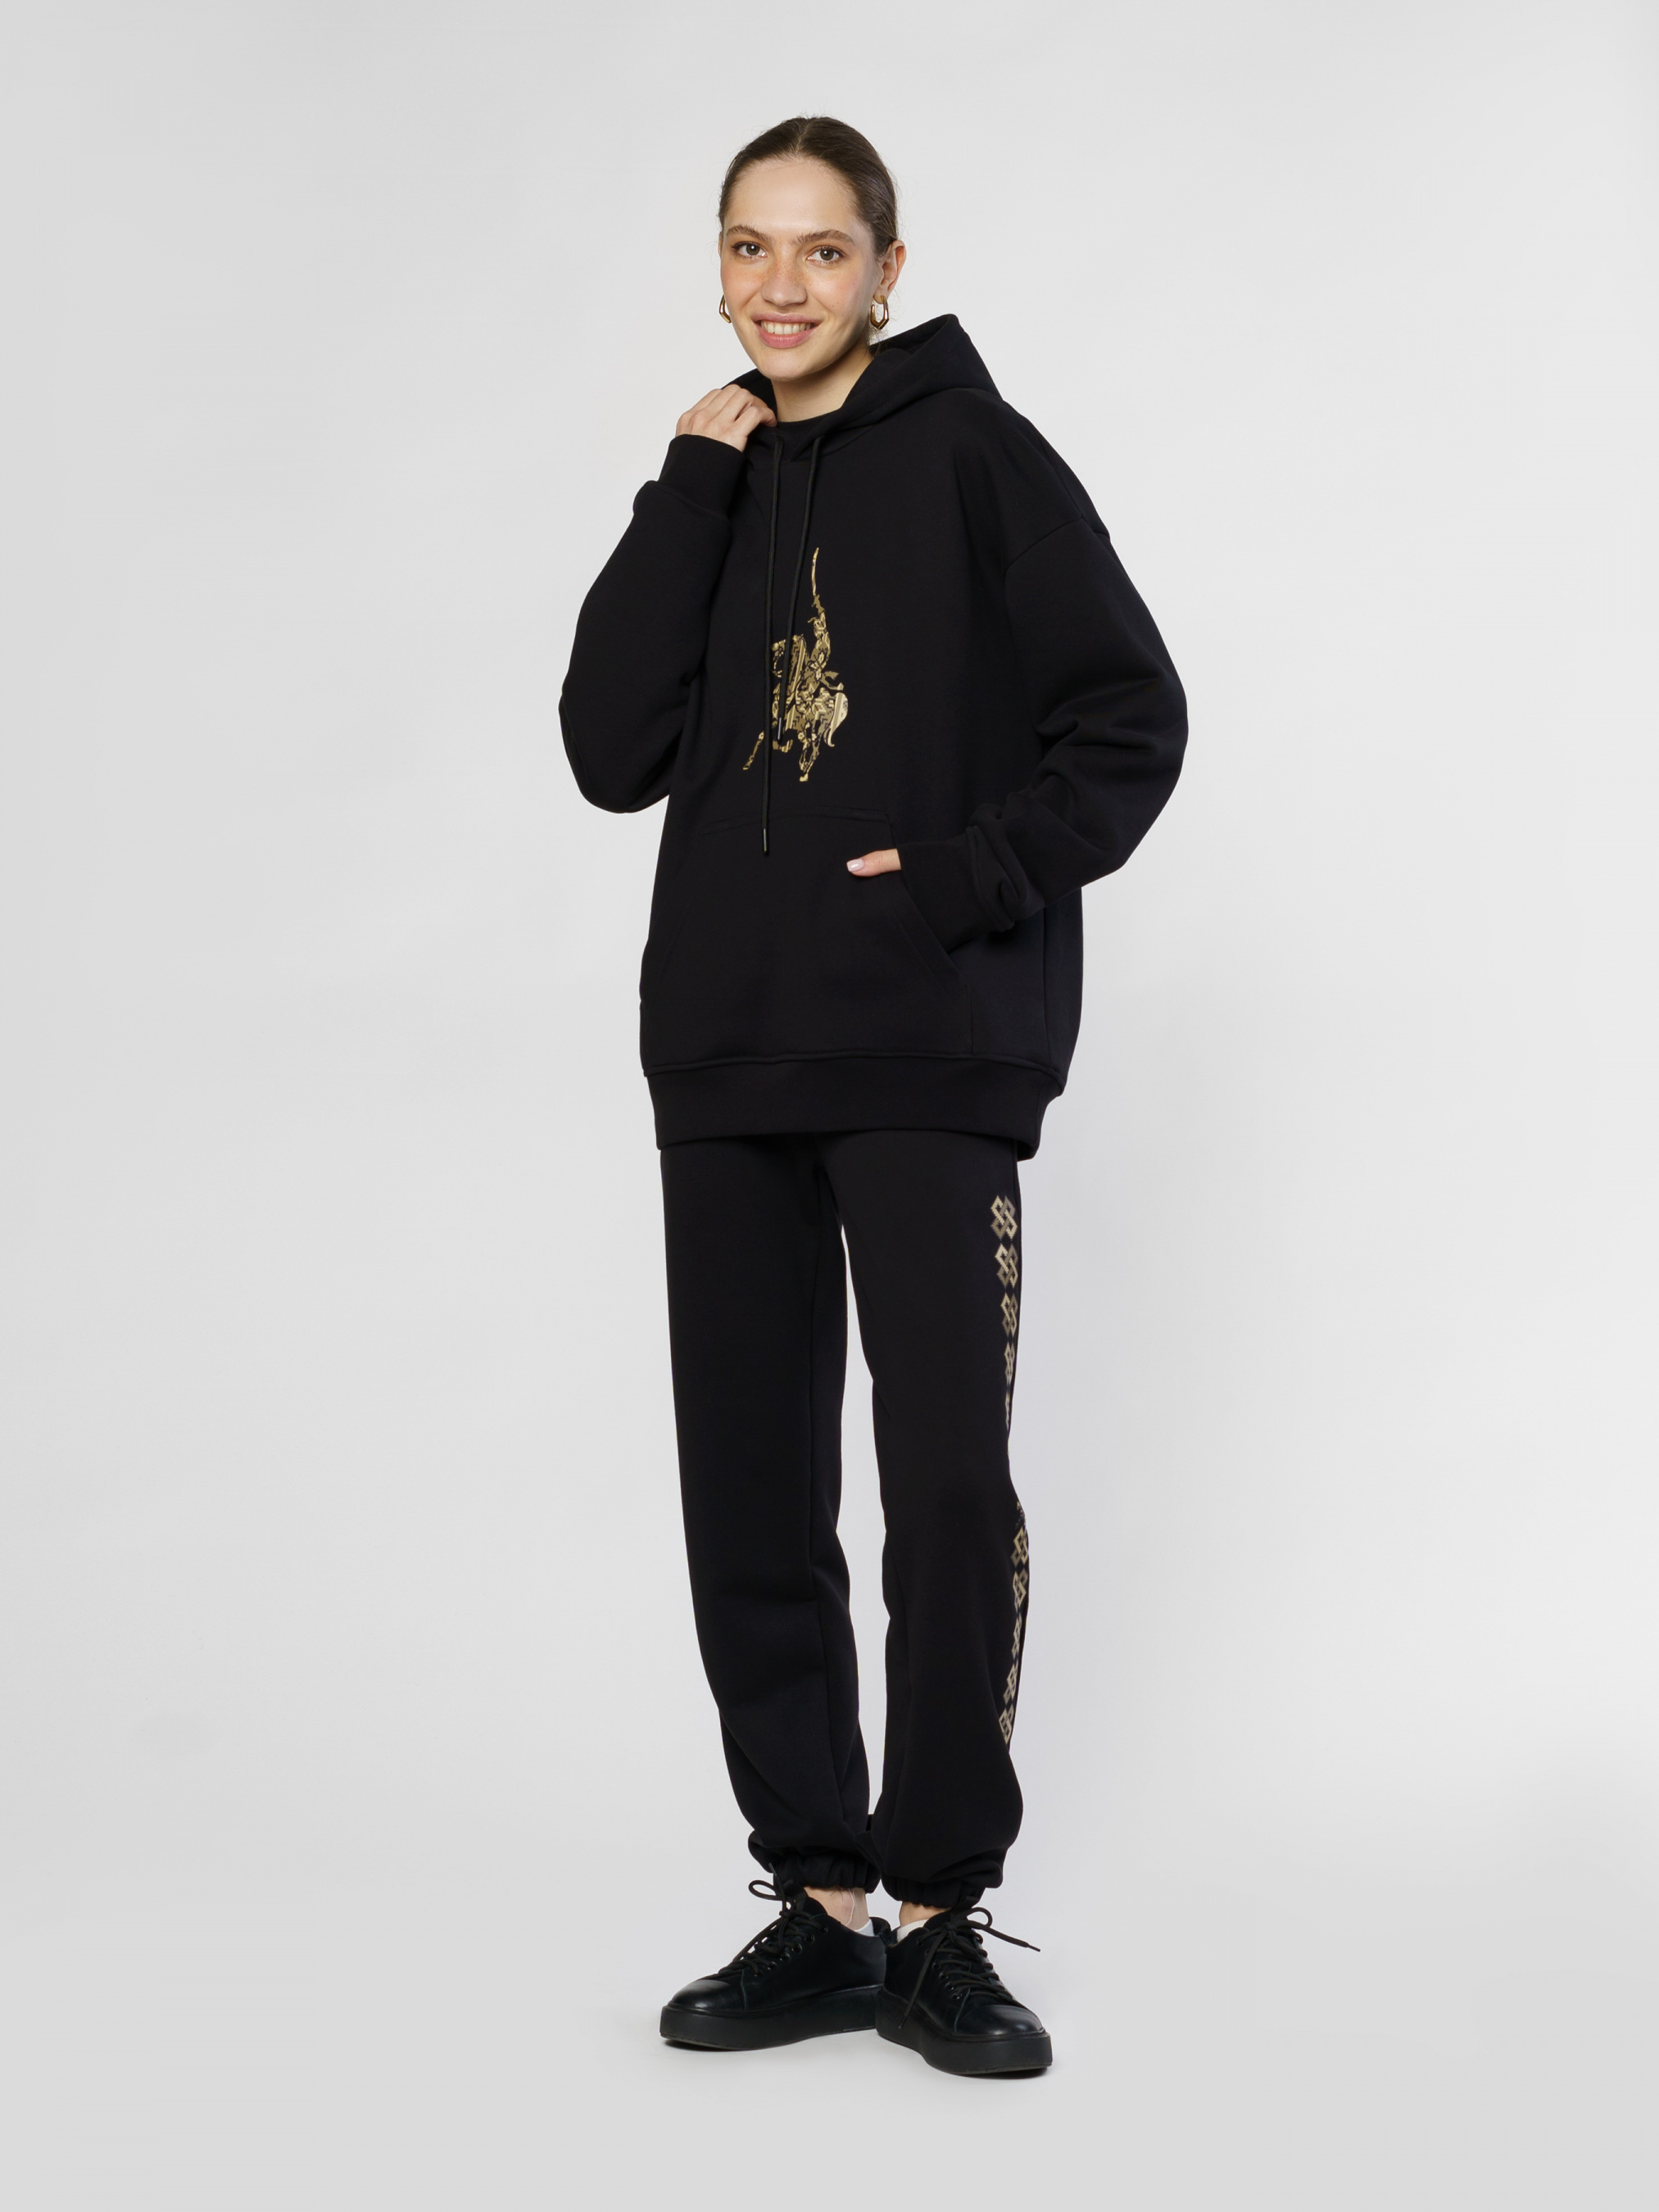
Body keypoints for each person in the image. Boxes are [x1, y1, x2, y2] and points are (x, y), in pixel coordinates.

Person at [561, 115, 1185, 2076]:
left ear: (885, 272)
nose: (780, 286)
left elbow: (1128, 722)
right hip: (726, 1056)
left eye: (819, 252)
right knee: (750, 1494)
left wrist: (954, 885)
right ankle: (818, 1906)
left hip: (928, 1051)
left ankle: (937, 1920)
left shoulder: (983, 457)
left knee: (944, 1497)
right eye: (748, 248)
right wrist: (686, 484)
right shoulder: (714, 477)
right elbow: (606, 745)